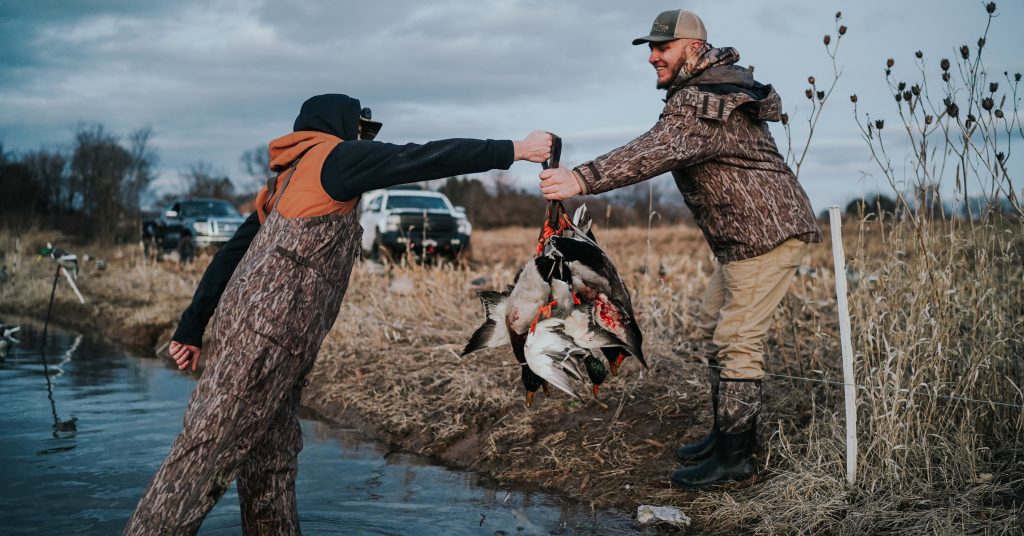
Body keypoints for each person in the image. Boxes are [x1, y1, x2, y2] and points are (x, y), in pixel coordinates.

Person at [124, 93, 552, 535]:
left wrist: (191, 327)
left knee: (270, 466)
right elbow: (422, 158)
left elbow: (230, 255)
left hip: (270, 340)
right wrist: (515, 150)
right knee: (201, 459)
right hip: (265, 341)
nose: (362, 140)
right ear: (339, 125)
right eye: (361, 130)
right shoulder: (334, 159)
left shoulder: (285, 182)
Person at [538, 10, 821, 488]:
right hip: (745, 240)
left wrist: (580, 178)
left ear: (692, 47)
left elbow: (654, 149)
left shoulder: (705, 98)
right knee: (717, 328)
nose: (651, 57)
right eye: (650, 48)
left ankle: (736, 463)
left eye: (661, 48)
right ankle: (722, 438)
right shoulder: (711, 89)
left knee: (737, 342)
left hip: (765, 236)